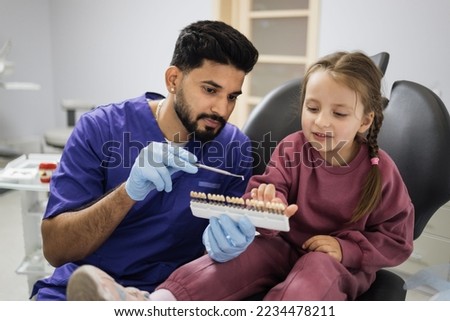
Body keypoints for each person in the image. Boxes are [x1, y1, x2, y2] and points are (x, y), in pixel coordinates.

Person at [66, 51, 414, 301]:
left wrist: (345, 249)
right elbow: (268, 186)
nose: (321, 121)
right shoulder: (293, 147)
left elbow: (397, 240)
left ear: (365, 121)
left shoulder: (380, 171)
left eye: (339, 113)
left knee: (312, 277)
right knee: (230, 262)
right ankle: (154, 305)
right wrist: (266, 205)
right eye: (312, 108)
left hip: (335, 264)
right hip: (281, 245)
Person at [31, 20, 259, 301]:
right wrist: (128, 193)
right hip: (83, 286)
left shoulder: (234, 147)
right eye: (210, 90)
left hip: (171, 294)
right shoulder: (100, 129)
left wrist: (227, 249)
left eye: (232, 96)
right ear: (173, 80)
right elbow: (56, 250)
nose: (222, 109)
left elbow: (225, 250)